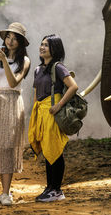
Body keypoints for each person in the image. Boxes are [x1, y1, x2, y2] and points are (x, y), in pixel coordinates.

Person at [0, 22, 31, 206]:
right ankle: (3, 192)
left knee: (8, 145)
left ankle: (6, 193)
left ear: (20, 43)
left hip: (11, 101)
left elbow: (12, 82)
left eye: (15, 39)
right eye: (8, 37)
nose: (10, 41)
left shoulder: (24, 61)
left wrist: (3, 60)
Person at [28, 34, 78, 202]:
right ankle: (49, 188)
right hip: (42, 113)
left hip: (53, 112)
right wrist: (34, 113)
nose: (42, 47)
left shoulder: (58, 67)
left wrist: (59, 105)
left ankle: (57, 190)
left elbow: (73, 86)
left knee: (55, 150)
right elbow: (36, 94)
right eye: (41, 44)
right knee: (48, 150)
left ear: (54, 49)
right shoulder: (38, 69)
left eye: (46, 45)